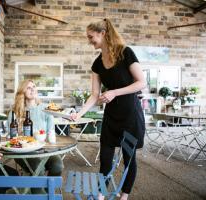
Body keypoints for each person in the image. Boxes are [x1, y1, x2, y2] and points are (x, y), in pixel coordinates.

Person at [71, 18, 146, 200]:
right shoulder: (97, 64)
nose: (89, 41)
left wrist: (114, 92)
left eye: (91, 37)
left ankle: (124, 196)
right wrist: (78, 114)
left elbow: (142, 83)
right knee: (105, 159)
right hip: (111, 117)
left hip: (130, 116)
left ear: (103, 34)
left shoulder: (125, 53)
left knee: (128, 160)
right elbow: (95, 95)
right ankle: (100, 194)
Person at [8, 79, 63, 193]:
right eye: (28, 87)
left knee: (58, 165)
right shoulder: (15, 111)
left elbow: (51, 132)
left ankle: (48, 193)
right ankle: (39, 195)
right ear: (22, 91)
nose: (33, 89)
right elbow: (11, 136)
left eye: (34, 86)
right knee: (39, 169)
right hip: (23, 152)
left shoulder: (46, 109)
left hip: (44, 149)